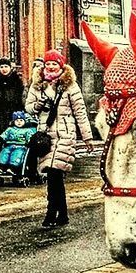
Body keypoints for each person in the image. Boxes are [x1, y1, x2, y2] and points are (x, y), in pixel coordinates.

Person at [26, 49, 96, 228]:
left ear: (61, 65)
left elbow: (80, 112)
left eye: (54, 64)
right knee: (52, 175)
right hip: (46, 136)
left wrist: (87, 138)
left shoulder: (69, 85)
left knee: (55, 173)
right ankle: (62, 213)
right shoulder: (38, 84)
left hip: (65, 135)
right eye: (48, 63)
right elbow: (29, 108)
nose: (50, 66)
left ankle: (51, 213)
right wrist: (39, 103)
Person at [0, 56, 24, 171]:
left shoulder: (16, 80)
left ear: (10, 67)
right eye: (1, 67)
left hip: (12, 115)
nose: (4, 69)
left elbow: (19, 98)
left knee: (14, 140)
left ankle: (13, 166)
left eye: (6, 66)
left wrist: (19, 114)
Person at [0, 111, 38, 184]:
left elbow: (30, 138)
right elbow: (5, 135)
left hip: (21, 146)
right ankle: (2, 167)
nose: (19, 122)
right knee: (4, 152)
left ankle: (13, 167)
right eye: (17, 121)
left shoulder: (27, 130)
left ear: (24, 121)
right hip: (10, 145)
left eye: (21, 120)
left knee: (17, 154)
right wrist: (0, 139)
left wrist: (30, 141)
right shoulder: (10, 129)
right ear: (14, 121)